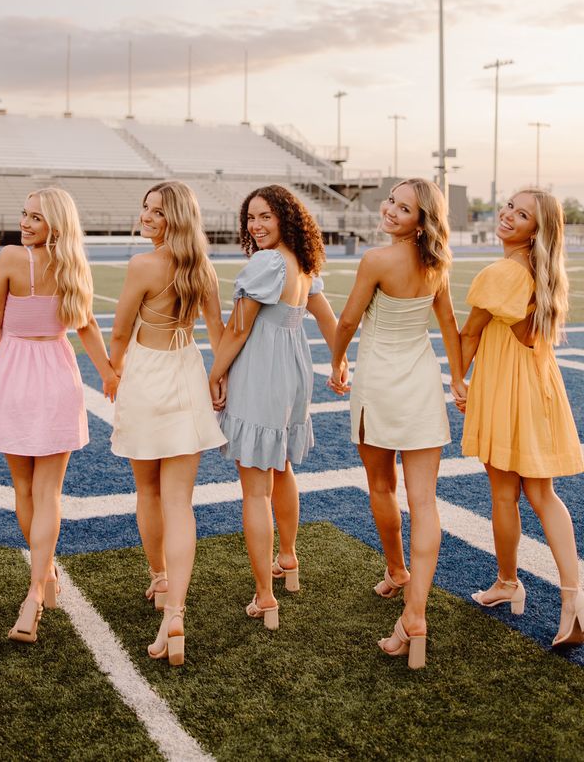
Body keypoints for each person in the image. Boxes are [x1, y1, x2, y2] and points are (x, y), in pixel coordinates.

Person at [329, 178, 466, 669]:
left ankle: (396, 570)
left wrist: (337, 361)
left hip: (380, 385)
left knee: (381, 485)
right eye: (391, 200)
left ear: (420, 220)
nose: (390, 209)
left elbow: (346, 321)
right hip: (423, 382)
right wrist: (459, 380)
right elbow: (449, 324)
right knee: (425, 502)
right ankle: (415, 613)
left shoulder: (377, 261)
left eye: (403, 207)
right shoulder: (439, 263)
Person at [0, 187, 118, 643]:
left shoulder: (11, 260)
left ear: (55, 222)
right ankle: (43, 580)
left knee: (27, 489)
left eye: (36, 217)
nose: (26, 222)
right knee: (48, 492)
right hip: (58, 373)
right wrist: (108, 375)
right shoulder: (73, 265)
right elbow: (88, 326)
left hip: (15, 373)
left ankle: (37, 588)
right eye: (24, 214)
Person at [209, 185, 337, 631]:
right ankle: (288, 559)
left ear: (285, 218)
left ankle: (265, 596)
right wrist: (339, 365)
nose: (256, 225)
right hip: (293, 371)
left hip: (262, 371)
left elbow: (239, 330)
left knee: (255, 489)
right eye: (250, 218)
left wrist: (214, 375)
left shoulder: (266, 263)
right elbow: (327, 319)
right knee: (281, 467)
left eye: (265, 217)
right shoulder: (301, 262)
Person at [460, 189, 584, 646]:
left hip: (508, 388)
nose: (509, 215)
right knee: (543, 494)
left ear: (537, 229)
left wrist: (457, 380)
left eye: (522, 214)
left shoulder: (503, 271)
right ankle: (572, 596)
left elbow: (469, 334)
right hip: (540, 387)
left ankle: (510, 581)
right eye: (509, 207)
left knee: (504, 494)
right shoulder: (542, 271)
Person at [109, 181, 226, 666]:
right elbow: (219, 334)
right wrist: (218, 381)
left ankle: (160, 578)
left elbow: (118, 331)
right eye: (145, 209)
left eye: (156, 211)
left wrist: (116, 373)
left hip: (146, 376)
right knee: (180, 501)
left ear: (174, 218)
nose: (146, 217)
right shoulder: (203, 268)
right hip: (187, 375)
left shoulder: (143, 265)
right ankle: (173, 608)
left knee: (150, 493)